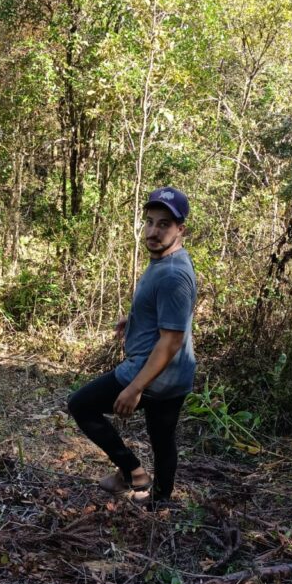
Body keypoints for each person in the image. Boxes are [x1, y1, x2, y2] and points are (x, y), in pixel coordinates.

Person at [67, 187, 197, 507]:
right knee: (162, 439)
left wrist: (136, 387)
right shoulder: (172, 260)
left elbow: (171, 340)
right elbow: (171, 318)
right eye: (150, 222)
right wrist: (137, 320)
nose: (153, 231)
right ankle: (160, 501)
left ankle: (131, 473)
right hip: (176, 374)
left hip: (152, 371)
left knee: (81, 405)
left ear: (181, 229)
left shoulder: (171, 274)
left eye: (164, 224)